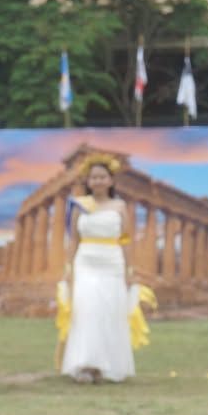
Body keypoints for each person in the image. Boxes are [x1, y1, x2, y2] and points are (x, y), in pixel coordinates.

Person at [60, 155, 136, 384]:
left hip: (112, 262)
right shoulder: (79, 205)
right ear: (88, 180)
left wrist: (129, 270)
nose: (98, 181)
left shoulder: (120, 206)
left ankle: (108, 365)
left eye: (103, 177)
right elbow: (73, 240)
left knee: (109, 311)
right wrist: (68, 268)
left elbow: (126, 240)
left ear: (111, 181)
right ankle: (86, 364)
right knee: (87, 309)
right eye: (94, 177)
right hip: (86, 262)